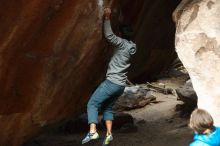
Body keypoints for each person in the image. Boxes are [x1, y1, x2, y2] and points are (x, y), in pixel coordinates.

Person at [82, 7, 137, 146]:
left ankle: (93, 132)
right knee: (107, 108)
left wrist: (107, 17)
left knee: (92, 104)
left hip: (111, 83)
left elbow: (109, 35)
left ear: (121, 35)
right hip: (120, 85)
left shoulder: (121, 44)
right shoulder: (131, 46)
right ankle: (109, 134)